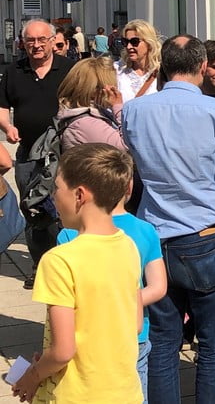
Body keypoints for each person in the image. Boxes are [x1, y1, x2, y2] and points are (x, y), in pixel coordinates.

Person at [122, 34, 215, 404]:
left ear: (163, 66)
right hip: (206, 233)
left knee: (164, 340)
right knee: (213, 343)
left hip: (155, 235)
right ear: (201, 67)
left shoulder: (135, 111)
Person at [11, 144, 143, 403]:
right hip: (124, 391)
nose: (54, 196)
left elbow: (62, 351)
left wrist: (33, 375)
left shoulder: (59, 260)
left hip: (76, 395)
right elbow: (135, 323)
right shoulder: (128, 245)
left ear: (80, 195)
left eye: (57, 188)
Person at [56, 173, 168, 403]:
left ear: (81, 193)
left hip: (86, 337)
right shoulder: (145, 230)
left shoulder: (68, 235)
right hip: (133, 334)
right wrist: (122, 303)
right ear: (129, 186)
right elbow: (158, 287)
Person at [0, 19, 73, 289]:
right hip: (28, 153)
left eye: (42, 39)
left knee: (65, 211)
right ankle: (40, 266)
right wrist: (8, 127)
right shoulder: (14, 71)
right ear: (23, 43)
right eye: (31, 40)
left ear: (53, 41)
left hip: (64, 154)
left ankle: (65, 265)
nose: (36, 45)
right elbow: (2, 107)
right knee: (33, 210)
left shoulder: (68, 69)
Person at [55, 57, 127, 151]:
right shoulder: (85, 123)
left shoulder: (85, 114)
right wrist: (118, 107)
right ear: (96, 89)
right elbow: (126, 145)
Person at [116, 19, 162, 103]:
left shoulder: (163, 73)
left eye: (134, 42)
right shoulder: (118, 70)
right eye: (125, 42)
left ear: (149, 42)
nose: (129, 46)